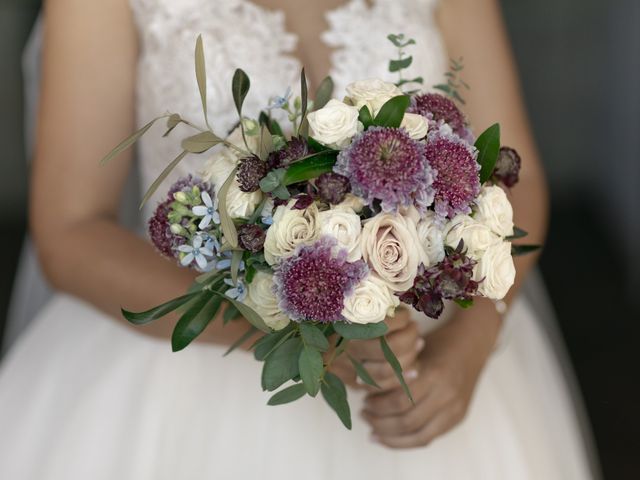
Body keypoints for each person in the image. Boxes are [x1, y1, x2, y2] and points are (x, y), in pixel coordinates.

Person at [0, 0, 596, 478]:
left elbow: (520, 176)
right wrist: (314, 336)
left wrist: (475, 333)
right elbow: (71, 230)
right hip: (193, 387)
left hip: (428, 366)